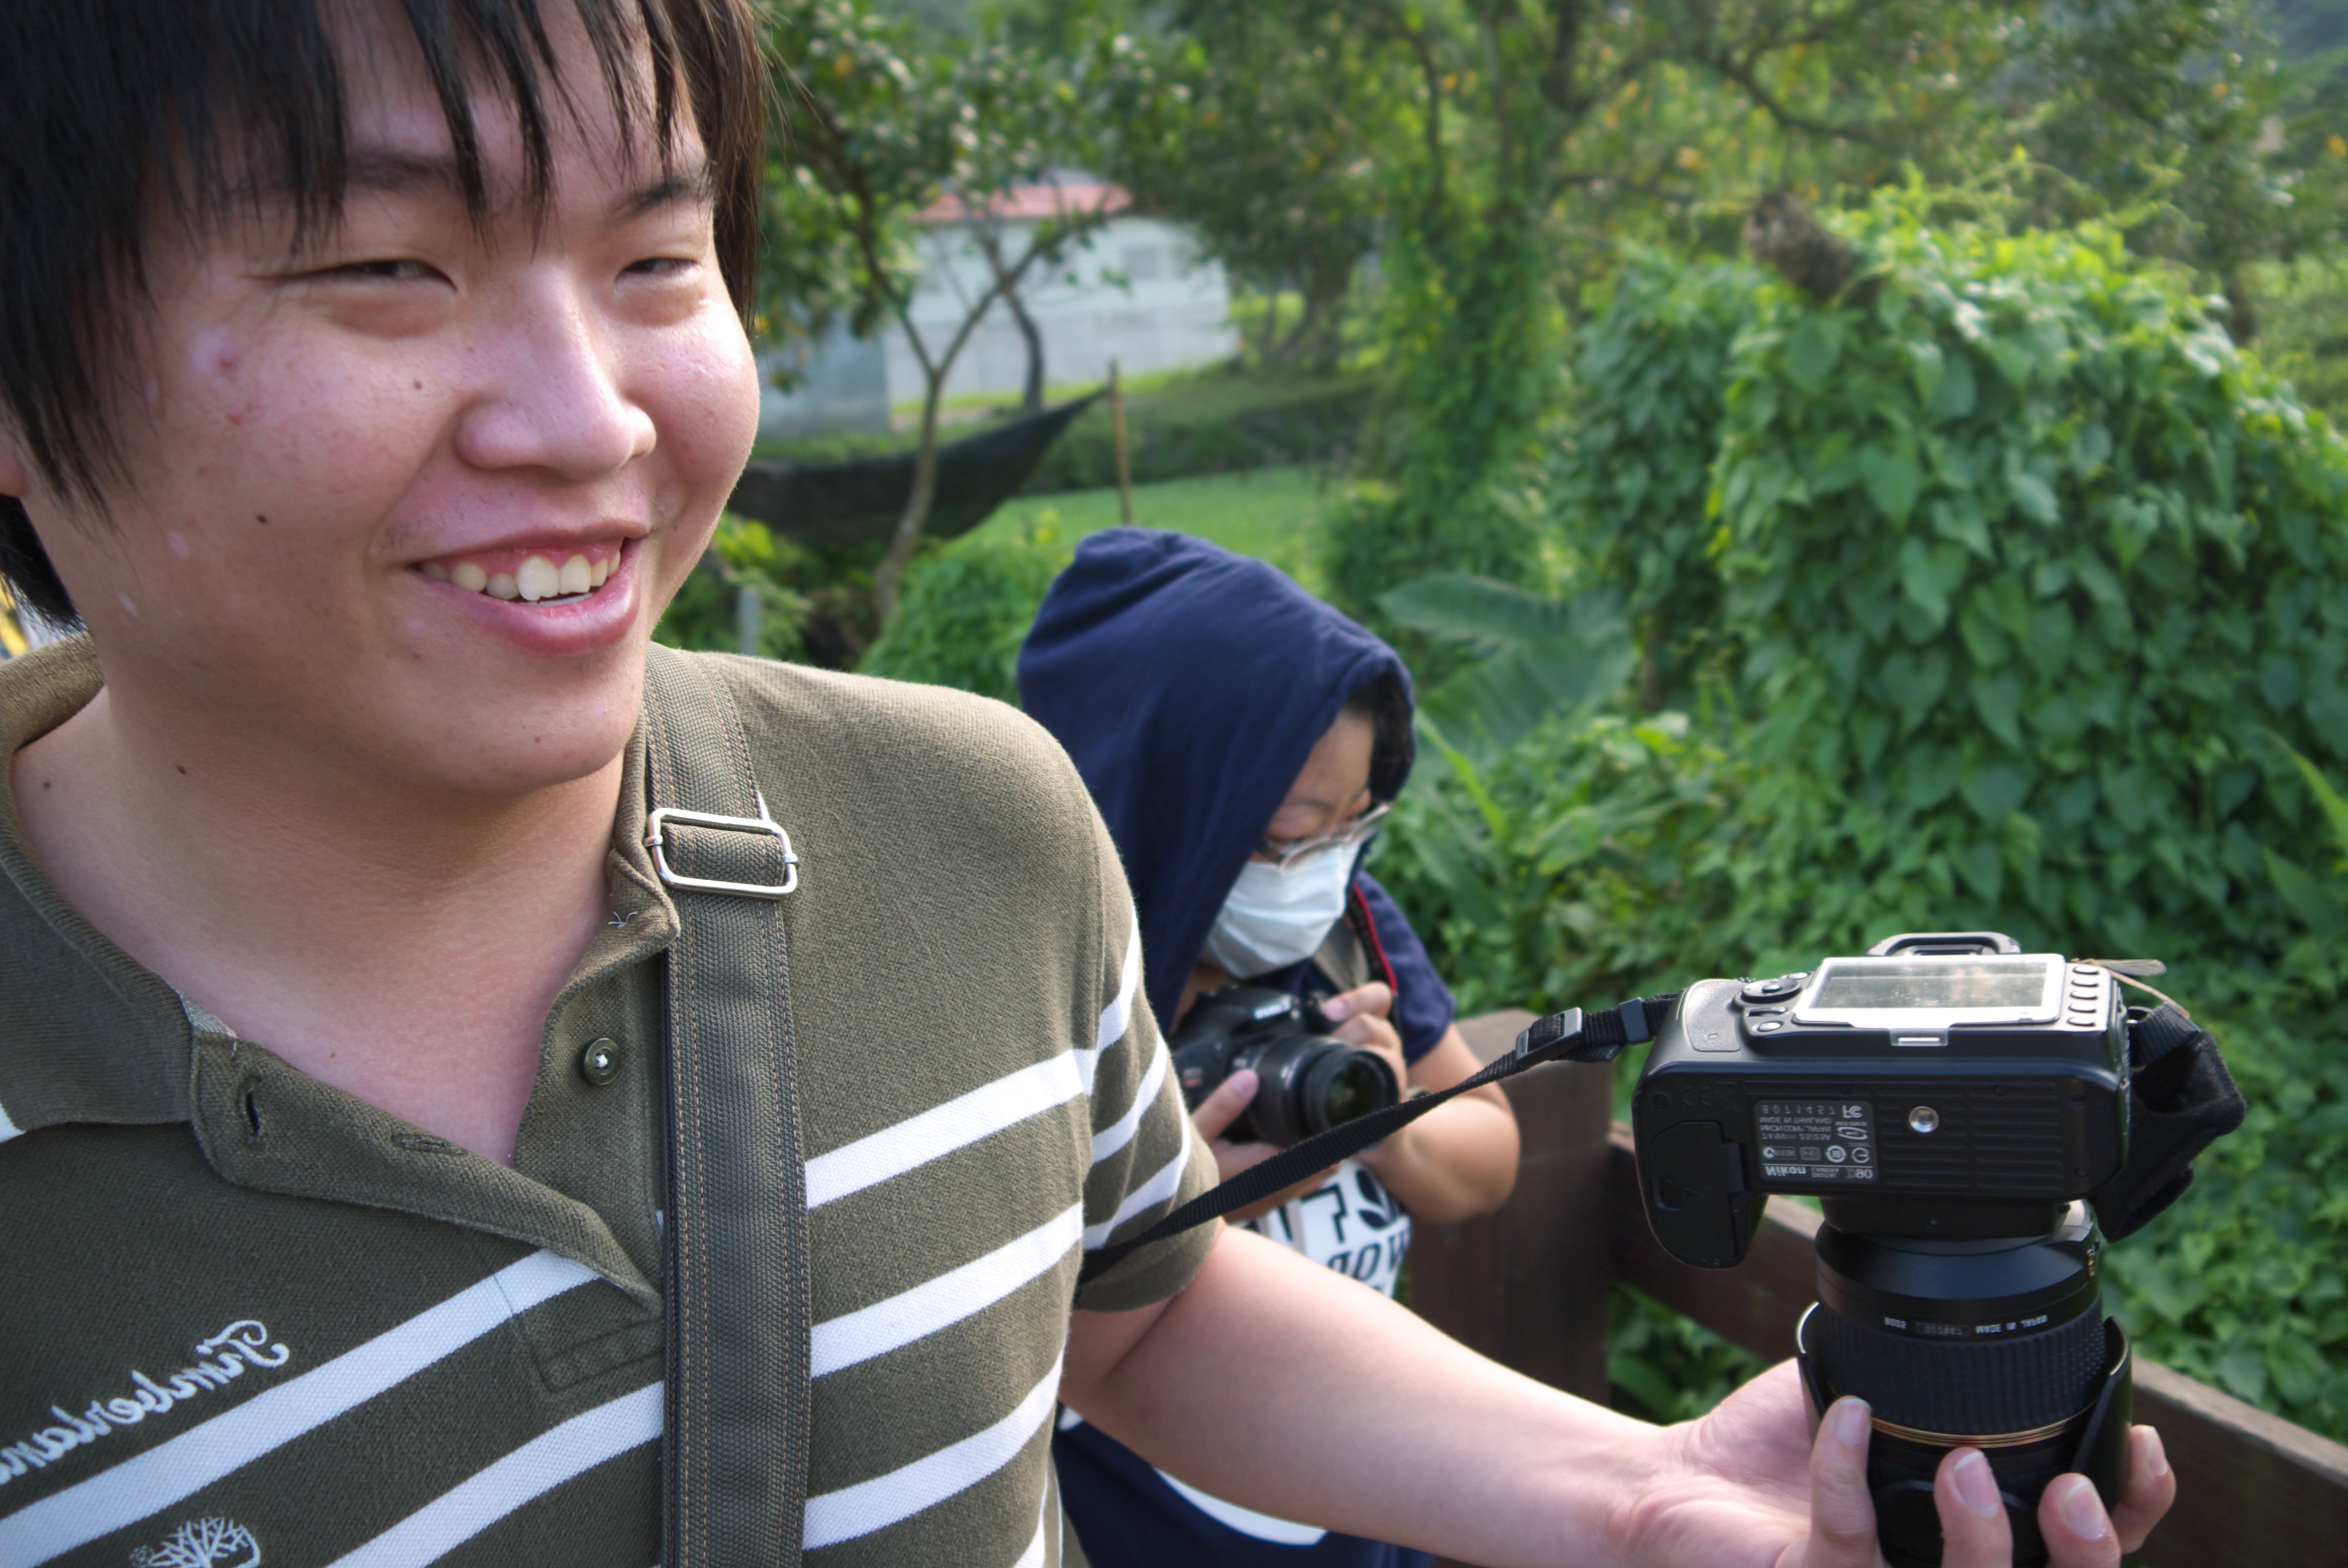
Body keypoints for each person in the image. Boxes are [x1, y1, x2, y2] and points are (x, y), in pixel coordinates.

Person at [0, 4, 2174, 1566]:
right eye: (387, 268)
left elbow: (1132, 1314)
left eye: (659, 257)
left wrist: (1637, 1498)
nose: (591, 422)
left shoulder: (974, 830)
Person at [1021, 529, 1522, 1567]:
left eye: (1352, 825)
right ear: (1176, 801)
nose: (1320, 868)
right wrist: (1196, 1203)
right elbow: (998, 1332)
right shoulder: (1053, 993)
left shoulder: (1348, 932)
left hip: (1374, 1518)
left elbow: (1489, 1156)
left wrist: (1390, 1128)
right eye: (1285, 835)